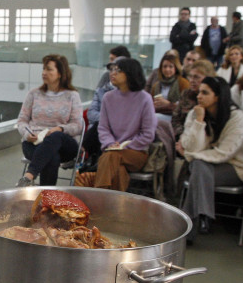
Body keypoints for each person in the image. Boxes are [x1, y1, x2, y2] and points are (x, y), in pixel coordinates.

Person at [176, 77, 243, 240]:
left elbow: (225, 152)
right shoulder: (195, 113)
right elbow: (191, 146)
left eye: (205, 93)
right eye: (199, 92)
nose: (199, 96)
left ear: (218, 96)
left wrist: (190, 155)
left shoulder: (236, 117)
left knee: (198, 167)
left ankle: (188, 229)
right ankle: (203, 216)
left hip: (234, 166)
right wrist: (199, 121)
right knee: (199, 166)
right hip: (203, 166)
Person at [16, 54, 83, 187]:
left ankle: (29, 175)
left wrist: (61, 128)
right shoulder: (33, 94)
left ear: (60, 73)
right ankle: (46, 198)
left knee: (56, 136)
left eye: (49, 69)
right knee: (52, 156)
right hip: (34, 143)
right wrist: (26, 134)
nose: (44, 73)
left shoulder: (72, 96)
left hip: (65, 144)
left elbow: (77, 125)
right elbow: (22, 121)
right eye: (43, 69)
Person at [94, 57, 157, 191]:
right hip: (112, 150)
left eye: (118, 70)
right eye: (112, 69)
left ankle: (98, 196)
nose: (112, 73)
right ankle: (115, 207)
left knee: (110, 156)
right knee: (118, 169)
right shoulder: (108, 97)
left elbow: (148, 134)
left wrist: (124, 146)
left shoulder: (144, 98)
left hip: (136, 152)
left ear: (130, 73)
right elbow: (103, 127)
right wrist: (110, 143)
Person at [172, 59, 217, 140]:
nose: (192, 80)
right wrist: (182, 136)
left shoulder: (213, 97)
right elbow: (176, 118)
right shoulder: (186, 93)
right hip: (182, 135)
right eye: (190, 76)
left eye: (196, 77)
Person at [150, 53, 189, 122]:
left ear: (175, 68)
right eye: (165, 66)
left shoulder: (183, 83)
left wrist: (168, 104)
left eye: (170, 67)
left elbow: (185, 106)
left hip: (176, 117)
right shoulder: (156, 85)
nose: (167, 69)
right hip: (158, 114)